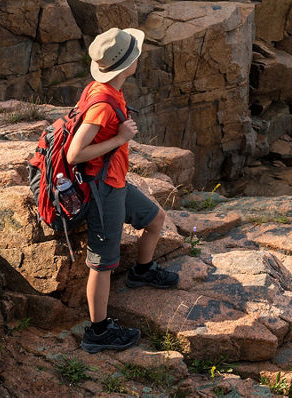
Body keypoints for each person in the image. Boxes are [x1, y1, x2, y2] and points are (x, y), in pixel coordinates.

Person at [66, 26, 179, 353]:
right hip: (103, 190)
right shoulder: (102, 103)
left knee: (155, 220)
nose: (139, 55)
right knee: (102, 263)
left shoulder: (105, 87)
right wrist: (120, 138)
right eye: (135, 53)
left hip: (115, 181)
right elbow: (75, 154)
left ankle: (142, 272)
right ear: (125, 64)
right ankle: (97, 332)